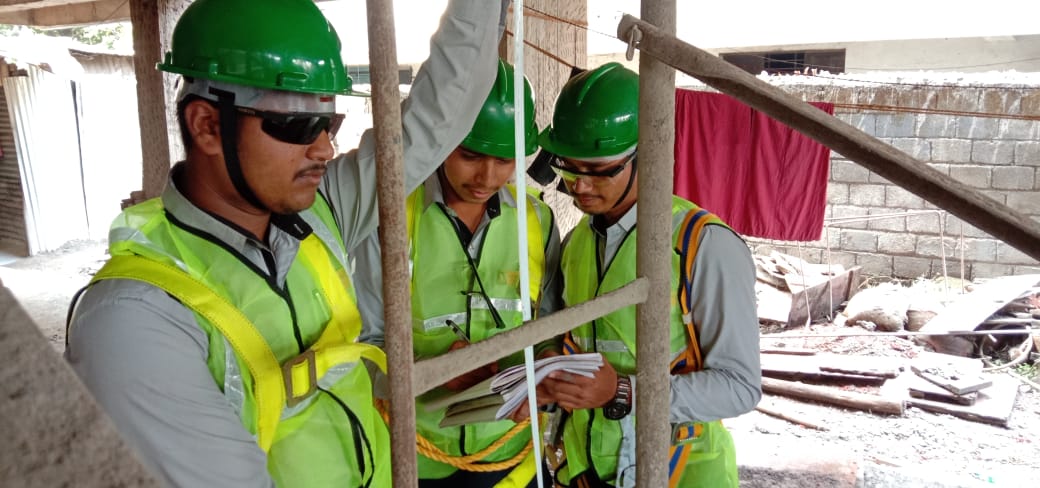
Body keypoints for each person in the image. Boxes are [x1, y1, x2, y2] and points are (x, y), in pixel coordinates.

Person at [63, 0, 508, 486]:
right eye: (297, 125)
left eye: (329, 124)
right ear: (207, 125)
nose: (324, 148)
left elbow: (440, 114)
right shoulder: (136, 319)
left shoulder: (319, 213)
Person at [536, 62, 762, 487]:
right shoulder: (577, 243)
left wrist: (623, 391)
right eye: (569, 168)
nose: (580, 186)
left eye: (599, 170)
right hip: (588, 469)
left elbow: (740, 387)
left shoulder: (703, 245)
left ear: (648, 154)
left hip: (682, 472)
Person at [351, 59, 561, 488]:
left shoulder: (537, 222)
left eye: (505, 160)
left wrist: (545, 371)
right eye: (469, 156)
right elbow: (364, 347)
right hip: (414, 454)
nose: (487, 177)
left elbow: (550, 330)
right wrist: (425, 371)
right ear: (441, 139)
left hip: (510, 453)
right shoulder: (388, 218)